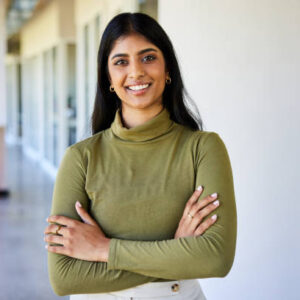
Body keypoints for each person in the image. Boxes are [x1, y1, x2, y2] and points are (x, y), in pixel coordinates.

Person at [44, 12, 237, 300]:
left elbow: (216, 259)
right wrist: (176, 252)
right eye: (121, 62)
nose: (136, 72)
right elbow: (64, 278)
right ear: (108, 77)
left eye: (148, 57)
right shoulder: (80, 158)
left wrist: (102, 249)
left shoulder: (203, 148)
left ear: (167, 67)